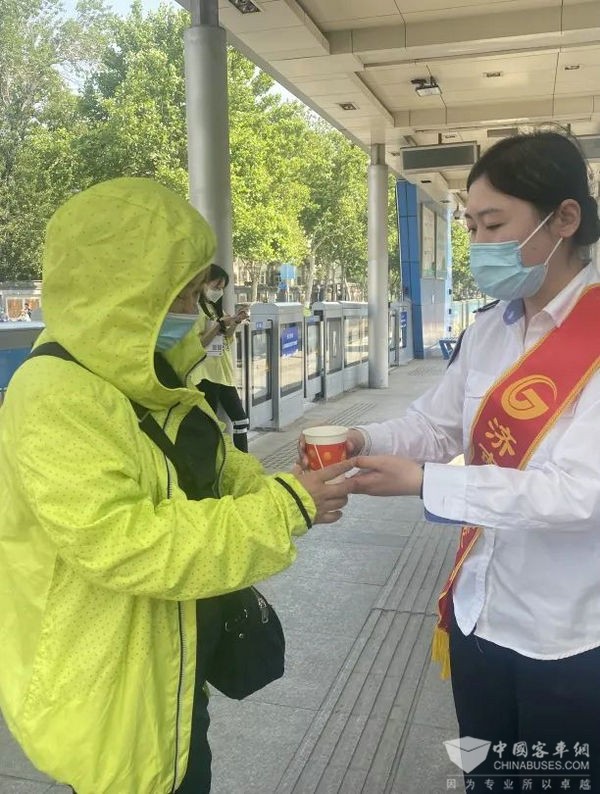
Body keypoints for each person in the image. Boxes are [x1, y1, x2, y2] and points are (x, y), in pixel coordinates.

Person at [0, 177, 356, 794]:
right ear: (125, 292)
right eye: (183, 294)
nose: (195, 311)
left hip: (173, 657)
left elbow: (210, 468)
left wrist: (290, 487)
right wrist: (285, 509)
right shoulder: (55, 396)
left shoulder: (148, 376)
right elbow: (124, 541)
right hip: (112, 684)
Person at [300, 131, 600, 791]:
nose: (479, 244)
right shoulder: (490, 328)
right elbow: (433, 426)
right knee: (488, 778)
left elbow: (578, 494)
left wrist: (427, 484)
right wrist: (362, 440)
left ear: (564, 219)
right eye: (471, 228)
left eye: (494, 225)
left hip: (569, 638)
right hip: (477, 615)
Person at [195, 263, 250, 451]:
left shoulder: (214, 308)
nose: (218, 291)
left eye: (221, 288)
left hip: (223, 374)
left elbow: (227, 337)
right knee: (209, 425)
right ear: (203, 283)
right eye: (215, 286)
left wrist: (235, 321)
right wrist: (219, 324)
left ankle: (243, 459)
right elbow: (199, 342)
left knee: (241, 420)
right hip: (205, 376)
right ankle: (214, 460)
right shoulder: (196, 309)